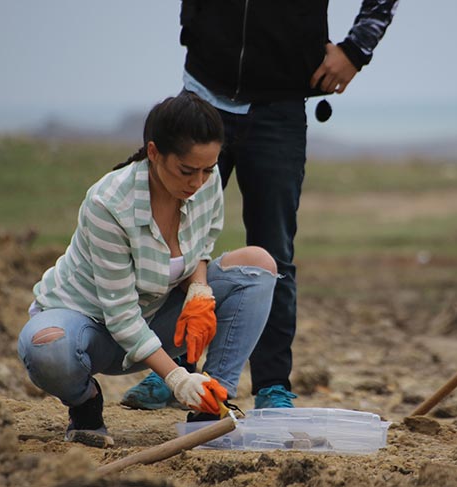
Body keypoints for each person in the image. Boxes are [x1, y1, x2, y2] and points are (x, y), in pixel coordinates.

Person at [120, 0, 399, 411]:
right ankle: (175, 371)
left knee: (275, 253)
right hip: (203, 89)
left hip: (280, 105)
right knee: (174, 237)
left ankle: (272, 385)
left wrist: (358, 48)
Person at [17, 92, 277, 448]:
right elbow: (121, 313)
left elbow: (201, 246)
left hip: (155, 315)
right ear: (154, 153)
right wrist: (177, 378)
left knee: (258, 265)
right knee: (45, 348)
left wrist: (200, 290)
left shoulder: (204, 182)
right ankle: (85, 404)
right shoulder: (108, 204)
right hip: (91, 328)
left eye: (208, 169)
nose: (198, 182)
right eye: (186, 170)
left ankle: (210, 404)